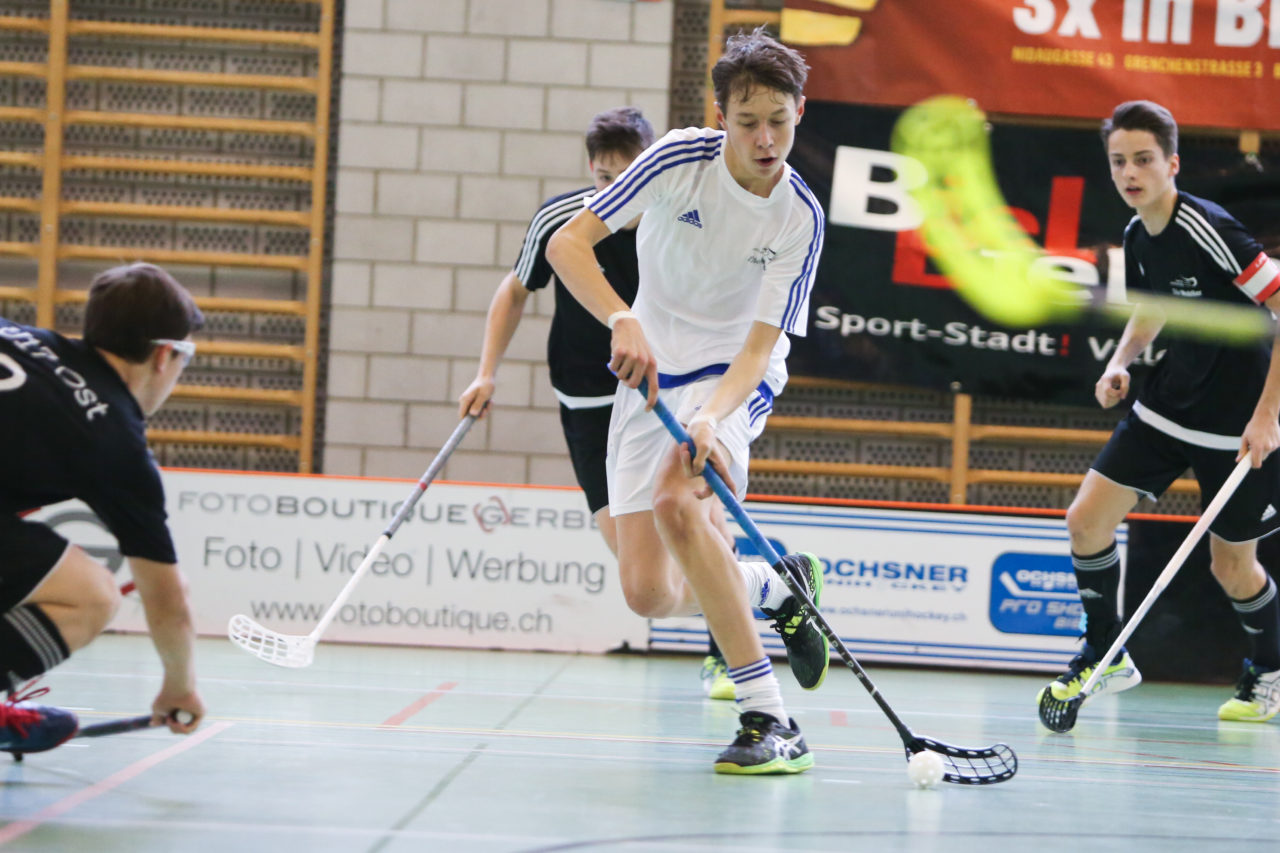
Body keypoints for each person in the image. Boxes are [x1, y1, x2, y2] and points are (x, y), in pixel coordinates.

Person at [547, 28, 828, 774]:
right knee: (647, 591)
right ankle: (774, 581)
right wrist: (622, 317)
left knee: (678, 502)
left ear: (800, 110)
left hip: (733, 381)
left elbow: (760, 349)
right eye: (747, 122)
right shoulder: (676, 159)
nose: (765, 139)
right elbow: (567, 246)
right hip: (647, 374)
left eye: (780, 119)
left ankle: (769, 717)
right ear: (721, 115)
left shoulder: (800, 218)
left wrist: (711, 416)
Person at [457, 106, 736, 702]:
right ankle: (750, 593)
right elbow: (514, 291)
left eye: (627, 175)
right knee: (640, 574)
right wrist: (486, 374)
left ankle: (727, 647)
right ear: (592, 171)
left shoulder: (678, 219)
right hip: (584, 405)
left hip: (662, 398)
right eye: (605, 179)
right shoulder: (563, 219)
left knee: (700, 522)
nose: (617, 191)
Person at [1039, 100, 1280, 722]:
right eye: (1118, 162)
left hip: (1241, 425)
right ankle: (1104, 651)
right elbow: (1150, 308)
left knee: (1233, 568)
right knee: (1085, 520)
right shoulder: (1135, 233)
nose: (1129, 173)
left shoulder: (1210, 228)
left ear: (1172, 163)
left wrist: (1266, 416)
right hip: (1170, 405)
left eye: (1143, 159)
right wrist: (1121, 361)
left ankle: (1270, 670)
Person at [0, 262, 206, 753]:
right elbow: (167, 600)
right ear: (163, 356)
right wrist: (180, 685)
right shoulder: (115, 441)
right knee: (91, 594)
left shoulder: (23, 338)